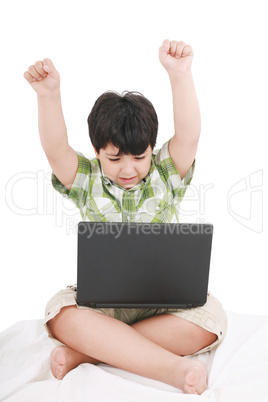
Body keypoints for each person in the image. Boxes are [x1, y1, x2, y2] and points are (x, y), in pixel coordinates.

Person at [24, 39, 227, 395]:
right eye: (114, 158)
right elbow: (55, 149)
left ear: (152, 148)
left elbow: (190, 134)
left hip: (163, 304)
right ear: (97, 152)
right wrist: (48, 96)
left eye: (139, 157)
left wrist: (179, 75)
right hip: (102, 308)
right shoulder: (88, 180)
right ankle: (172, 369)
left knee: (210, 322)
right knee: (60, 314)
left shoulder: (166, 174)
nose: (128, 169)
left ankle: (86, 354)